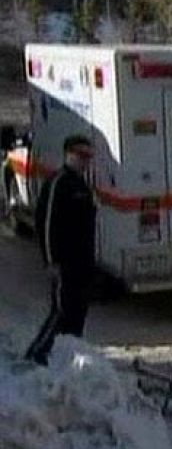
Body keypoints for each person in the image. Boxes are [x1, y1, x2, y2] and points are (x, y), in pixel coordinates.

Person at [25, 135, 96, 365]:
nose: (85, 161)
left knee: (78, 312)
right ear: (68, 154)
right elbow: (46, 223)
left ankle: (65, 356)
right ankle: (37, 354)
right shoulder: (59, 182)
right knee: (61, 311)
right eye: (80, 155)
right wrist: (50, 260)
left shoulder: (82, 184)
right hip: (64, 262)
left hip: (83, 262)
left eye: (88, 156)